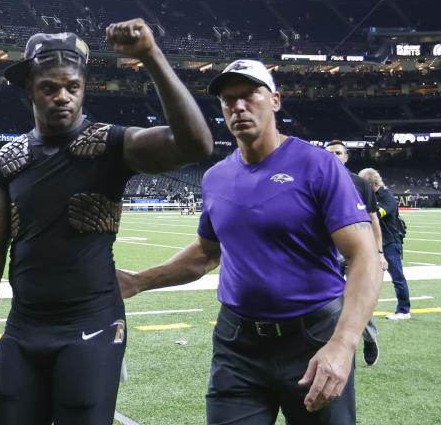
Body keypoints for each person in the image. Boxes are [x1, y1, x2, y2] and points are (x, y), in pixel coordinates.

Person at [0, 21, 213, 424]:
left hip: (92, 322)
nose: (63, 97)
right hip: (25, 325)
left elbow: (196, 144)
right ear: (29, 89)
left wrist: (151, 56)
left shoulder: (111, 145)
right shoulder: (10, 159)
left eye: (73, 87)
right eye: (50, 87)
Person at [117, 59, 381, 424]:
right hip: (237, 343)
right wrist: (138, 281)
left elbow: (363, 256)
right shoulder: (216, 177)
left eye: (249, 95)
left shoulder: (319, 165)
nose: (238, 107)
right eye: (228, 100)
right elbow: (206, 255)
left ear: (274, 100)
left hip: (313, 337)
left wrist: (343, 343)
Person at [323, 140, 385, 366]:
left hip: (359, 249)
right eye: (329, 153)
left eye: (338, 153)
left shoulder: (360, 183)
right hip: (328, 250)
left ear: (346, 157)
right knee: (325, 300)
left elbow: (373, 219)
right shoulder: (316, 181)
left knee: (358, 298)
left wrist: (379, 251)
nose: (334, 156)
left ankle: (369, 339)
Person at [359, 168, 411, 320]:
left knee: (397, 277)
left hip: (389, 242)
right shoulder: (369, 196)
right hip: (373, 243)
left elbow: (377, 215)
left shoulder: (387, 197)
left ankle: (403, 310)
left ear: (372, 183)